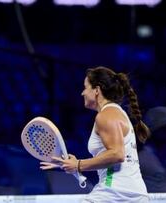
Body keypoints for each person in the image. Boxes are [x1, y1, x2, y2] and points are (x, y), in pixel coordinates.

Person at [40, 66, 150, 202]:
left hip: (117, 194)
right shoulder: (114, 113)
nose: (82, 93)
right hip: (126, 194)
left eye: (86, 87)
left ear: (97, 90)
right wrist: (74, 164)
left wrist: (78, 165)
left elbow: (117, 154)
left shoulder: (107, 115)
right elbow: (112, 158)